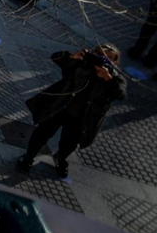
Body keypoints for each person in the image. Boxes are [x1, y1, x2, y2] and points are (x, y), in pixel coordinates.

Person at [17, 45, 127, 177]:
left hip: (81, 118)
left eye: (108, 58)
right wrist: (71, 57)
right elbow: (56, 57)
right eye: (99, 54)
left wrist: (107, 78)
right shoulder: (82, 64)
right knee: (41, 134)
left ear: (115, 63)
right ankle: (28, 157)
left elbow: (120, 94)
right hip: (60, 107)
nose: (103, 59)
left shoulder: (115, 78)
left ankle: (60, 158)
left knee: (69, 144)